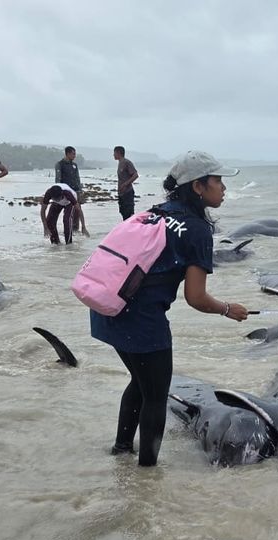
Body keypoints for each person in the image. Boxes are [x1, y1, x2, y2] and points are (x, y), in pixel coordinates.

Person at [90, 150, 250, 467]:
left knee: (140, 381)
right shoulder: (197, 230)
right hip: (142, 321)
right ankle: (147, 472)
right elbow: (196, 297)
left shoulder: (155, 212)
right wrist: (228, 308)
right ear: (198, 187)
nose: (223, 187)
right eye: (217, 180)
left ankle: (122, 450)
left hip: (107, 309)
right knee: (155, 395)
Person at [55, 146, 88, 236]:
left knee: (77, 211)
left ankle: (76, 230)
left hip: (76, 191)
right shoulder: (60, 164)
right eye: (73, 154)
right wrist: (60, 192)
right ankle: (68, 230)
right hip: (66, 192)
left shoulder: (74, 165)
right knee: (68, 212)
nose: (74, 156)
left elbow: (77, 178)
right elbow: (58, 179)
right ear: (68, 153)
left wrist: (80, 190)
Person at [114, 145, 139, 221]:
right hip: (122, 194)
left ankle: (132, 231)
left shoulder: (126, 162)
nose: (113, 155)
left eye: (114, 153)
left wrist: (125, 184)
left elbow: (135, 175)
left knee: (129, 214)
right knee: (123, 213)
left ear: (118, 153)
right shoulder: (120, 163)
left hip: (128, 193)